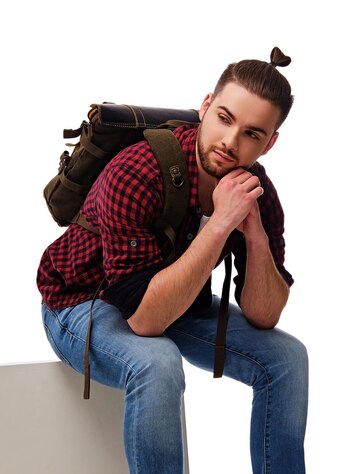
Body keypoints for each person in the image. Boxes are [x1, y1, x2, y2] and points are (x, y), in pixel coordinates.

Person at [37, 46, 308, 474]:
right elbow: (145, 324)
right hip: (82, 301)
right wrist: (220, 224)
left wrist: (251, 230)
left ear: (270, 143)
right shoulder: (138, 170)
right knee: (157, 364)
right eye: (224, 118)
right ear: (205, 106)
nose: (230, 143)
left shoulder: (255, 191)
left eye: (252, 134)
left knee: (287, 359)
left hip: (169, 299)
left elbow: (264, 312)